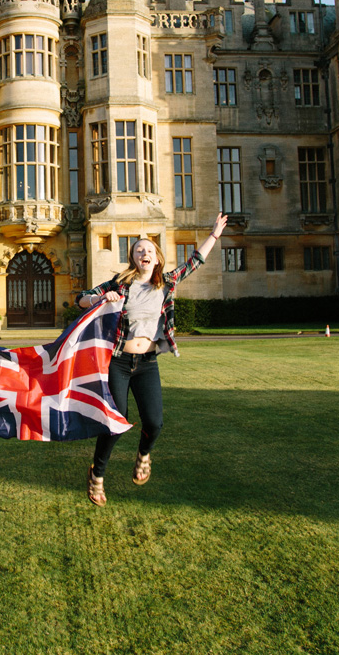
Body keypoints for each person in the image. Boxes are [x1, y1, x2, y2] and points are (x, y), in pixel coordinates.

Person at [77, 213, 229, 506]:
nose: (143, 253)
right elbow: (81, 298)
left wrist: (213, 236)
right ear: (133, 258)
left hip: (147, 363)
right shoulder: (121, 284)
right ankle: (97, 474)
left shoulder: (167, 283)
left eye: (148, 250)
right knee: (115, 422)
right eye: (138, 250)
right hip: (119, 362)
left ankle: (144, 456)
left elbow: (195, 261)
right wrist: (100, 299)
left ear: (157, 257)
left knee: (155, 423)